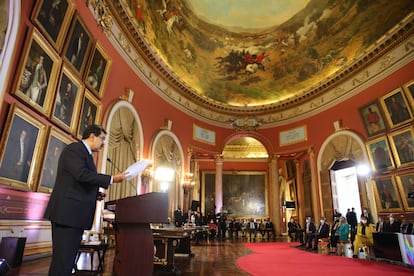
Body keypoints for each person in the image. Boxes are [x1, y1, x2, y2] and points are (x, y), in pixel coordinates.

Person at [44, 125, 129, 275]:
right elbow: (81, 174)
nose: (103, 143)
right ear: (92, 136)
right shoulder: (75, 149)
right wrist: (111, 179)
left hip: (73, 216)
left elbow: (78, 183)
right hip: (67, 215)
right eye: (102, 139)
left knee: (66, 261)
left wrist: (95, 194)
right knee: (63, 261)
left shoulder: (86, 154)